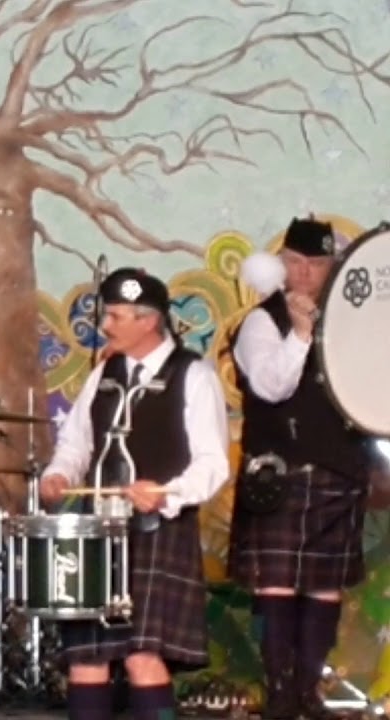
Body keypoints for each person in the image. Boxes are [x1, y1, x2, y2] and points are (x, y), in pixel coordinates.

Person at [38, 268, 230, 720]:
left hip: (155, 528)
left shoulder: (194, 375)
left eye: (118, 316)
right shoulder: (104, 373)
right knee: (87, 656)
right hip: (97, 531)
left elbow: (212, 462)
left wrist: (167, 494)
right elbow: (76, 442)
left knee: (143, 655)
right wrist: (59, 473)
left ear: (149, 321)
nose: (107, 325)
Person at [228, 217, 371, 720]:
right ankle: (279, 692)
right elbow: (271, 387)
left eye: (317, 263)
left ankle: (308, 690)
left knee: (324, 584)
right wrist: (303, 333)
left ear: (332, 266)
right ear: (281, 264)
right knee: (277, 584)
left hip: (341, 469)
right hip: (279, 474)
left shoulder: (353, 322)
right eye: (296, 262)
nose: (306, 272)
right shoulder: (262, 322)